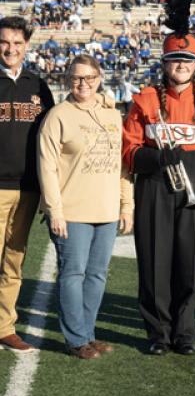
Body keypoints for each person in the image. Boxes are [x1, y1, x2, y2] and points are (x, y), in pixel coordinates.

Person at [122, 0, 195, 356]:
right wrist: (154, 160)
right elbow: (129, 149)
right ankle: (158, 333)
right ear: (164, 63)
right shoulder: (143, 100)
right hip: (153, 191)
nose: (180, 66)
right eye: (174, 60)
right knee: (153, 264)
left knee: (188, 265)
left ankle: (185, 333)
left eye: (187, 61)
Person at [37, 54, 133, 359]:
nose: (83, 84)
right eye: (77, 77)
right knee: (73, 274)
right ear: (68, 79)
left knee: (97, 275)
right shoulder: (58, 116)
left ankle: (88, 333)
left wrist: (126, 205)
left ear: (99, 78)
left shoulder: (111, 115)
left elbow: (122, 165)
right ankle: (76, 338)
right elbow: (47, 167)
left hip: (105, 211)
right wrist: (56, 211)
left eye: (89, 78)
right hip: (72, 212)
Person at [0, 16, 54, 352]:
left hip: (28, 189)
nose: (10, 49)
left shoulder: (38, 85)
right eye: (4, 42)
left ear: (27, 46)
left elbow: (52, 137)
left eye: (17, 43)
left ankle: (4, 325)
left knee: (14, 260)